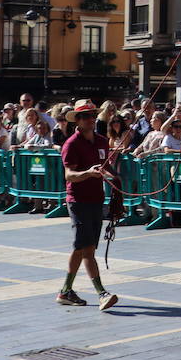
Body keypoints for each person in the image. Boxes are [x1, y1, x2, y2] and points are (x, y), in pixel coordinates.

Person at [56, 100, 119, 312]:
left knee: (80, 246)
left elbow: (106, 166)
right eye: (85, 116)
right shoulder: (71, 144)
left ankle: (65, 291)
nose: (90, 119)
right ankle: (102, 293)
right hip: (78, 201)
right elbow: (69, 175)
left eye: (93, 115)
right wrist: (87, 173)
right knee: (88, 248)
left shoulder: (102, 141)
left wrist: (113, 178)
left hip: (96, 199)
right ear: (78, 120)